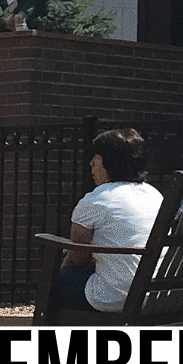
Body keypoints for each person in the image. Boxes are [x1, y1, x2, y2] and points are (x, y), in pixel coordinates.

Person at [54, 127, 163, 313]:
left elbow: (77, 260)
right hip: (156, 293)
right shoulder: (155, 195)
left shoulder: (96, 200)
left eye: (95, 159)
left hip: (118, 298)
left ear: (107, 161)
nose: (91, 164)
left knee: (55, 281)